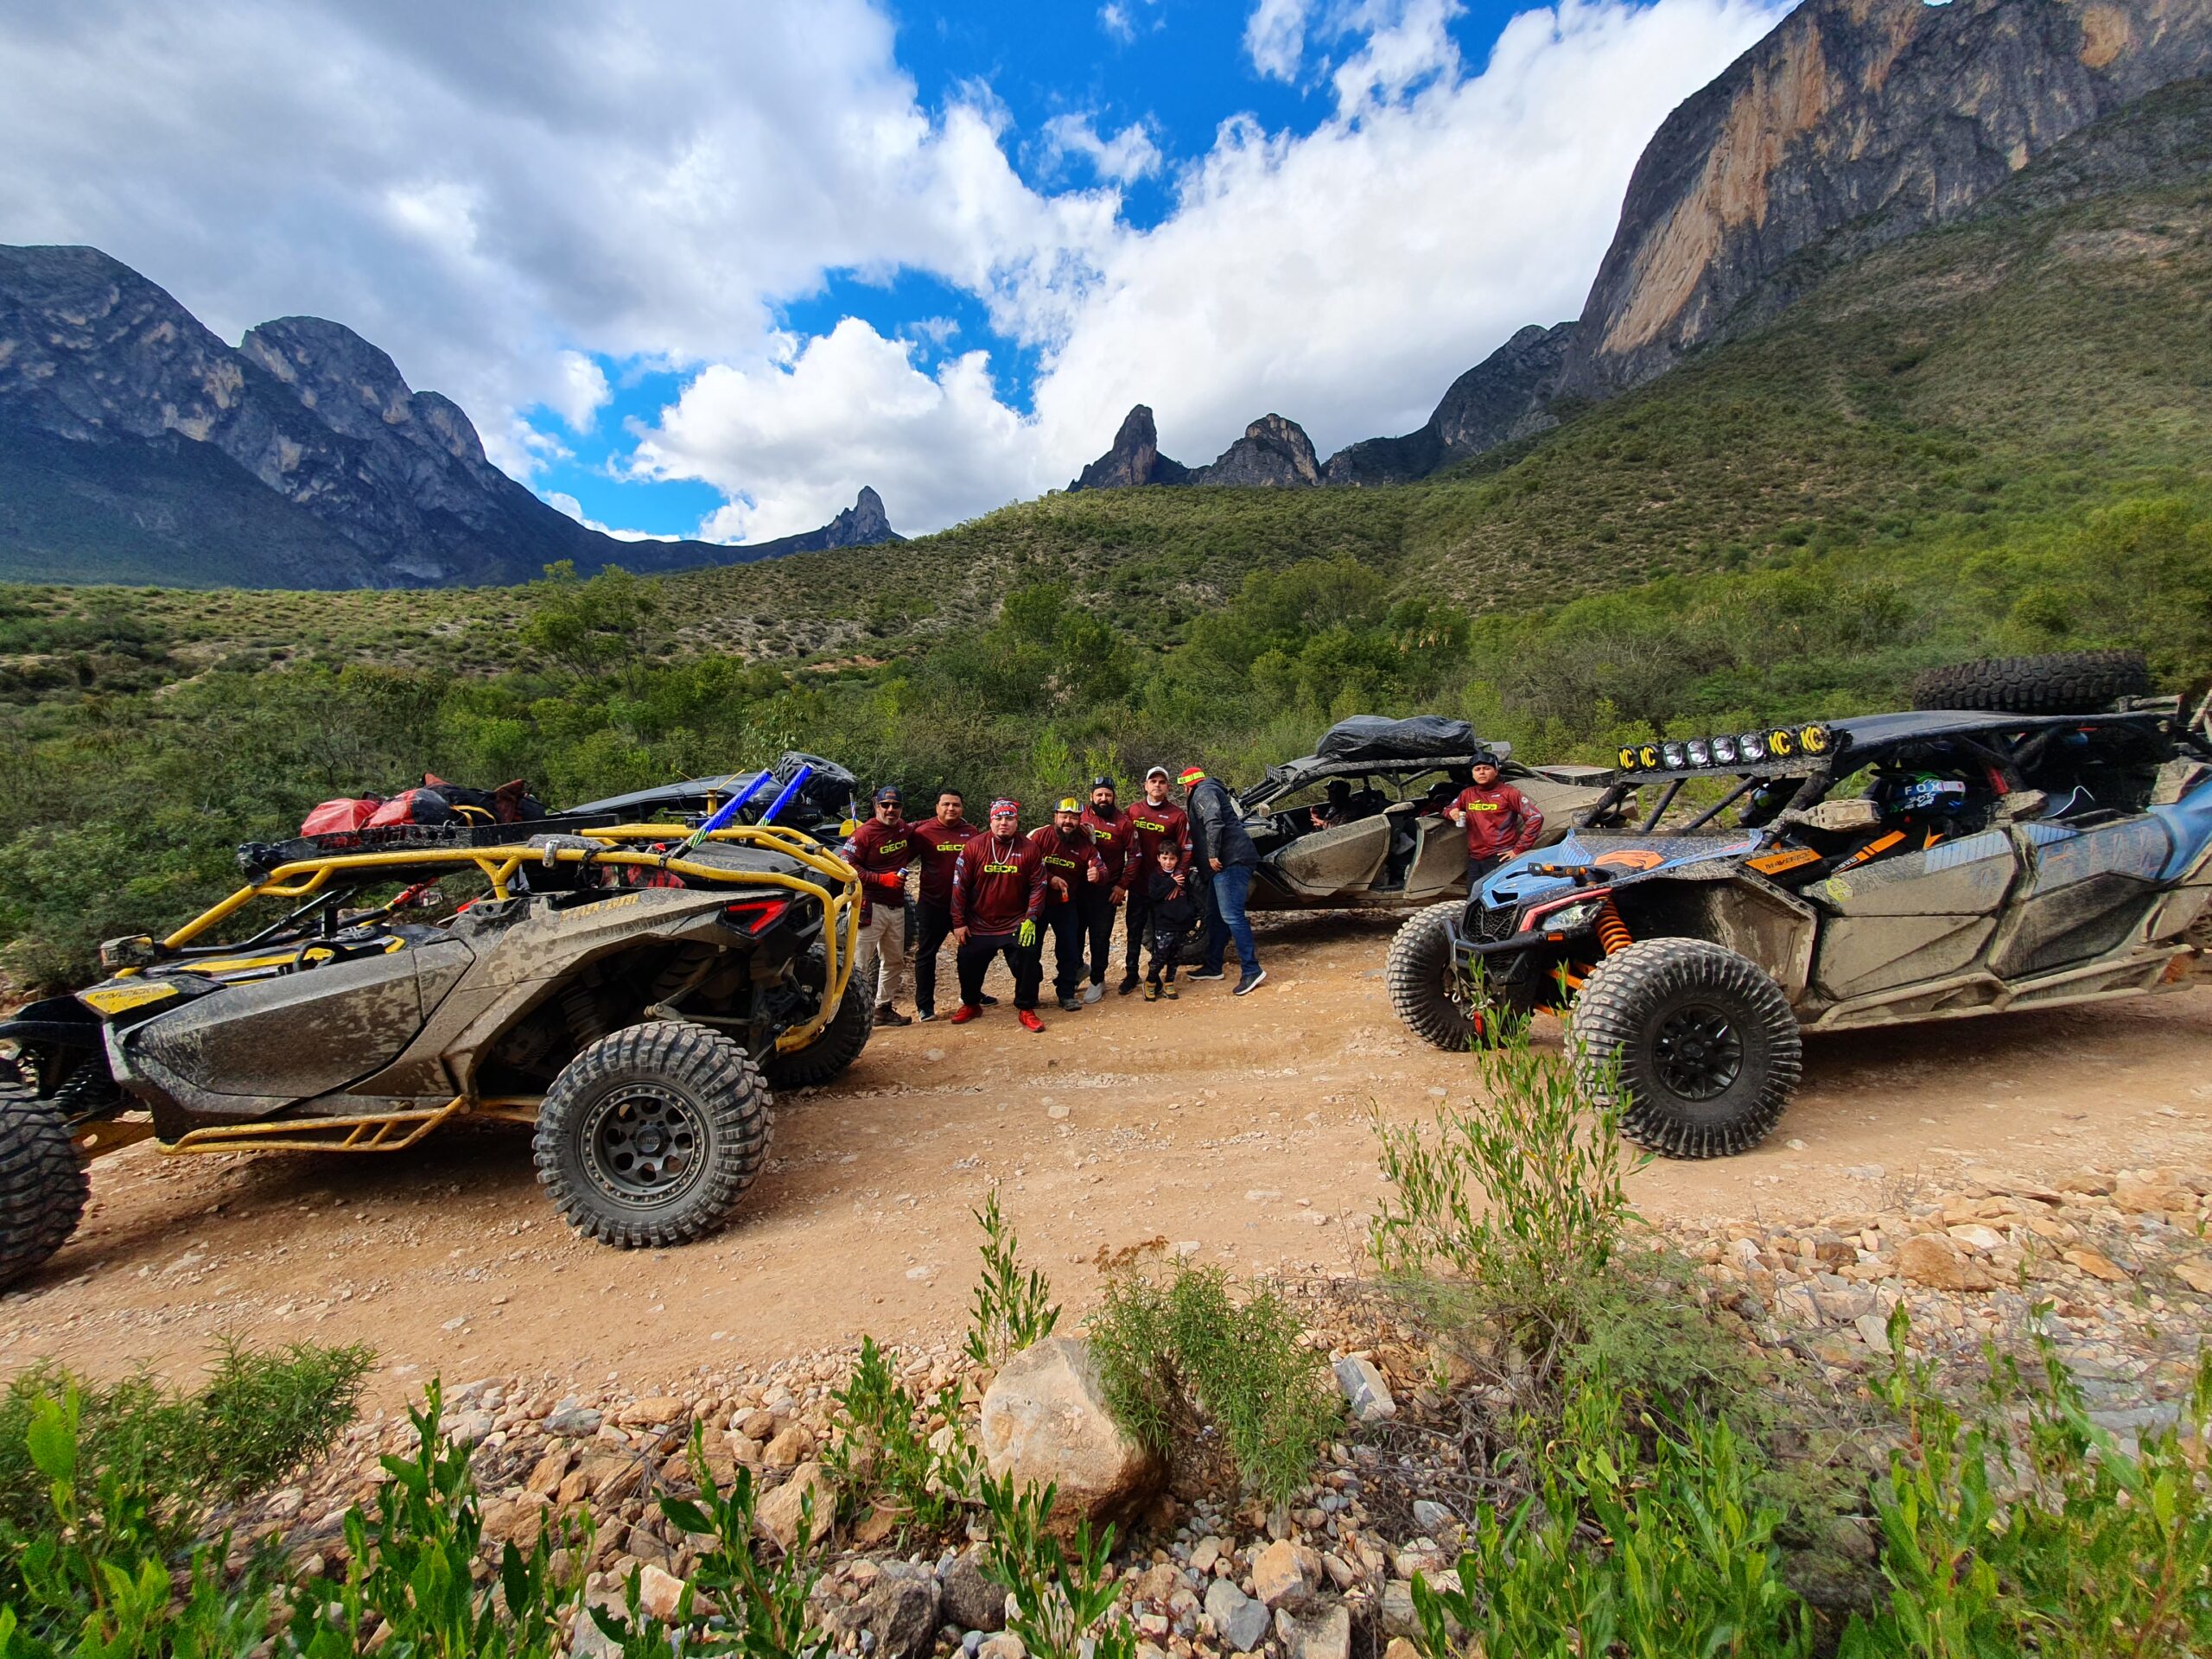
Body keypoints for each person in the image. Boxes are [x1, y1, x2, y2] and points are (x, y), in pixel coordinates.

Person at [949, 798, 1048, 1031]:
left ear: (1016, 822)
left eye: (1009, 818)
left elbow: (1038, 886)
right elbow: (959, 886)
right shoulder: (974, 846)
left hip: (1015, 921)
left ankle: (1026, 1008)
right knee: (967, 961)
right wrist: (958, 921)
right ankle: (971, 1004)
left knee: (1028, 957)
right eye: (999, 818)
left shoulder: (1029, 848)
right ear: (991, 820)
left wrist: (1031, 917)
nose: (1004, 823)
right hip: (979, 922)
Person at [1180, 764, 1265, 995]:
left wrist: (1212, 854)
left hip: (1230, 861)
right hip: (1226, 863)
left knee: (1232, 916)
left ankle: (1252, 969)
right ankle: (1213, 965)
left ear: (1187, 787)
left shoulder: (1203, 791)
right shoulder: (1210, 788)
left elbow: (1214, 821)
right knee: (1215, 915)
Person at [840, 785, 918, 1027]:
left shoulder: (903, 828)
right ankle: (848, 1017)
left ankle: (882, 1009)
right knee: (858, 963)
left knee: (894, 961)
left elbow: (922, 826)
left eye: (896, 805)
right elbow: (845, 864)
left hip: (896, 906)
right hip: (868, 905)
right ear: (877, 806)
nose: (890, 810)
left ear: (901, 808)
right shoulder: (864, 833)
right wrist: (880, 879)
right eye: (885, 805)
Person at [1118, 766, 1191, 995]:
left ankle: (1157, 976)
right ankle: (1131, 974)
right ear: (1146, 786)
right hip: (1139, 883)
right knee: (1134, 930)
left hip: (1164, 887)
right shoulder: (1133, 810)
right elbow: (1121, 840)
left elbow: (1187, 848)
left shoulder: (1177, 815)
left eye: (1162, 782)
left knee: (1162, 933)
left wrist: (1178, 879)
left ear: (1168, 787)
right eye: (1153, 781)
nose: (1157, 785)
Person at [1030, 797, 1107, 1012]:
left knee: (1069, 950)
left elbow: (1101, 867)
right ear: (1055, 817)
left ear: (1079, 820)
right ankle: (1029, 993)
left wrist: (1098, 874)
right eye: (1064, 816)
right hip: (1037, 902)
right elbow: (1026, 866)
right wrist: (1049, 878)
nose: (1068, 822)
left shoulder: (1085, 843)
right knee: (1030, 950)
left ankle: (1066, 994)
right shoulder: (1039, 836)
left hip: (1066, 903)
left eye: (1073, 818)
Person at [910, 788, 980, 1021]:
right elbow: (900, 857)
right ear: (937, 808)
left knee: (972, 951)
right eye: (946, 804)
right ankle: (925, 1006)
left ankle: (971, 995)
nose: (951, 809)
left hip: (964, 905)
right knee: (927, 954)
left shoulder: (971, 832)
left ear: (962, 808)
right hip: (932, 904)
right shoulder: (923, 833)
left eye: (956, 805)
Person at [1449, 749, 1544, 893]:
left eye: (1487, 768)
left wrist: (1518, 850)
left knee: (1498, 896)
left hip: (1500, 857)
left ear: (1496, 771)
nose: (1482, 773)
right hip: (1475, 858)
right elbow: (1449, 808)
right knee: (1473, 895)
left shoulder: (1509, 793)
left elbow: (1535, 818)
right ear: (1472, 773)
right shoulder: (1467, 794)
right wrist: (1452, 812)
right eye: (1477, 769)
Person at [1079, 776, 1134, 1002]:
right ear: (1091, 796)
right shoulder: (1080, 816)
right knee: (1074, 934)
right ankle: (1078, 969)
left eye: (1108, 795)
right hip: (1079, 888)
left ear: (1114, 797)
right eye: (1099, 794)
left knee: (1100, 937)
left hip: (1107, 890)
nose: (1103, 798)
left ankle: (1097, 980)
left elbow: (1135, 857)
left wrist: (1122, 886)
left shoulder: (1123, 822)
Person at [1141, 842, 1201, 1001]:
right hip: (1164, 925)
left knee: (1175, 957)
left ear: (1177, 860)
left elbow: (1191, 896)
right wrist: (1172, 882)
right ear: (1158, 858)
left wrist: (1190, 914)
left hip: (1181, 925)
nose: (1168, 862)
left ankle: (1169, 983)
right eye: (1165, 858)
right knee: (1159, 956)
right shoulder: (1155, 877)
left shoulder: (1183, 877)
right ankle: (1150, 983)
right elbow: (1154, 896)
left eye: (1172, 859)